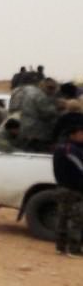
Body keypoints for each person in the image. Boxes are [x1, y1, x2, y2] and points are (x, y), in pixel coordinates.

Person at [51, 115, 83, 256]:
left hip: (65, 188)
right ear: (73, 135)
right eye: (81, 133)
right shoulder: (69, 149)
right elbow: (80, 167)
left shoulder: (64, 147)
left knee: (63, 218)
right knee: (76, 219)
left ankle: (61, 247)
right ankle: (73, 249)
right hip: (72, 189)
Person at [20, 79, 61, 152]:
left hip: (27, 128)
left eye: (53, 88)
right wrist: (57, 108)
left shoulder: (31, 93)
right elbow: (47, 113)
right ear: (42, 86)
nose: (52, 91)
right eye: (50, 88)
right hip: (38, 132)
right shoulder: (41, 96)